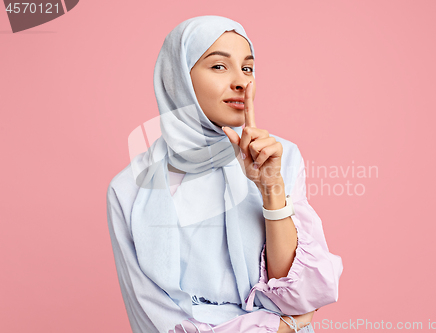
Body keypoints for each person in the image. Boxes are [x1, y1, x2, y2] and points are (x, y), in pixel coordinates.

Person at [106, 15, 343, 333]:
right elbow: (154, 319)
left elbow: (299, 296)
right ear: (179, 77)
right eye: (219, 66)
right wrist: (279, 329)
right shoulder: (128, 190)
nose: (242, 82)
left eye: (247, 68)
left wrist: (271, 188)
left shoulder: (278, 157)